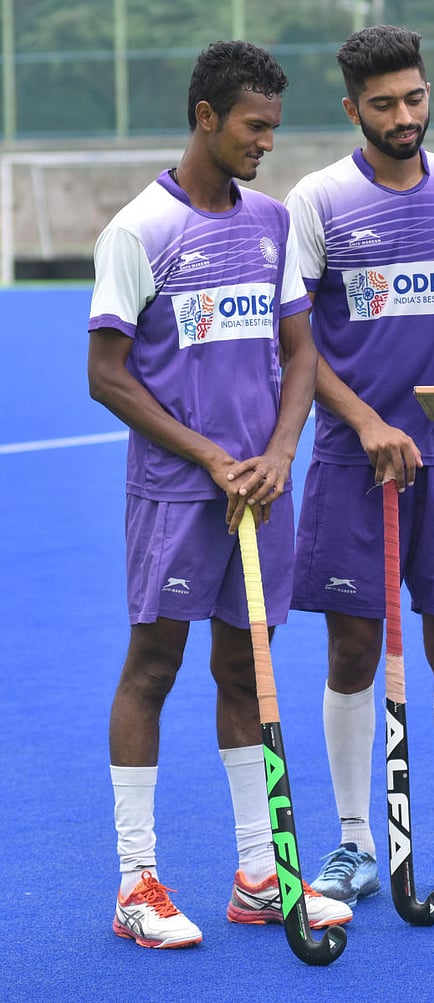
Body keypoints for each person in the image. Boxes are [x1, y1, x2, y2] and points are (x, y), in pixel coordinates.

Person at [87, 39, 352, 949]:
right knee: (153, 669)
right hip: (176, 493)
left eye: (275, 127)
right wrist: (209, 453)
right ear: (206, 117)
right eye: (254, 126)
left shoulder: (274, 223)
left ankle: (259, 873)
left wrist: (279, 453)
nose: (267, 142)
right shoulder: (138, 229)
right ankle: (137, 884)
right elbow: (107, 375)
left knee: (248, 671)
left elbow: (300, 352)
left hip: (258, 495)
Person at [283, 24, 434, 907]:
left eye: (415, 98)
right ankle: (354, 841)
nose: (404, 117)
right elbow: (298, 340)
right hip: (355, 467)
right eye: (384, 104)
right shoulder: (315, 200)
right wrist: (364, 424)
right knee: (352, 647)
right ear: (352, 108)